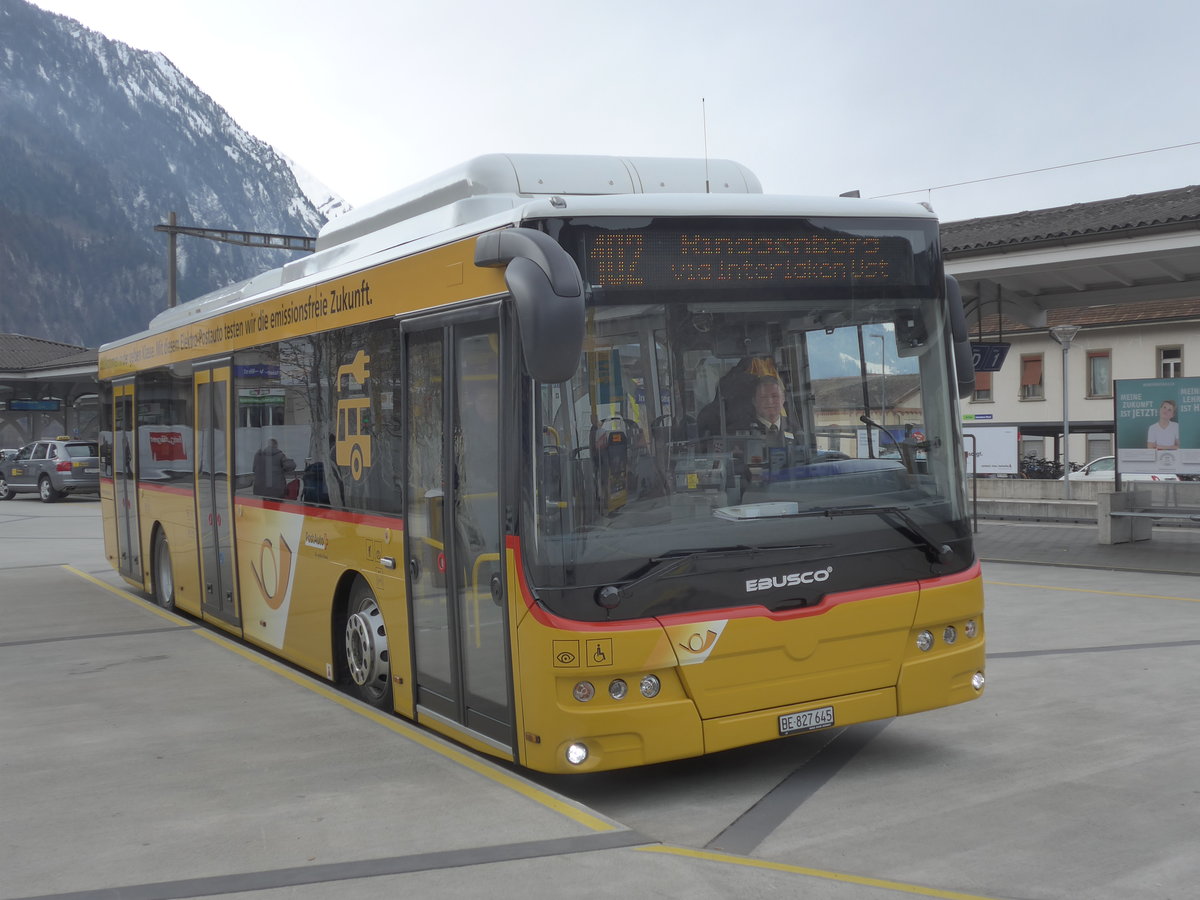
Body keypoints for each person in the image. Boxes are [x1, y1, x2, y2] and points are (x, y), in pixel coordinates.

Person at [746, 375, 795, 446]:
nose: (770, 401)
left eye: (775, 396)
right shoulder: (743, 429)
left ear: (783, 399)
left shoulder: (795, 428)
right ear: (754, 401)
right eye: (764, 397)